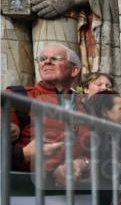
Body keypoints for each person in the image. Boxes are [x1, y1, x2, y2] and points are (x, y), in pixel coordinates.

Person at [7, 42, 90, 183]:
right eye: (43, 59)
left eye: (55, 58)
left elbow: (99, 154)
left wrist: (83, 164)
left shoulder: (87, 110)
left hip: (76, 197)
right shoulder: (16, 96)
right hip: (22, 192)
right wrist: (23, 154)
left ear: (74, 70)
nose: (47, 62)